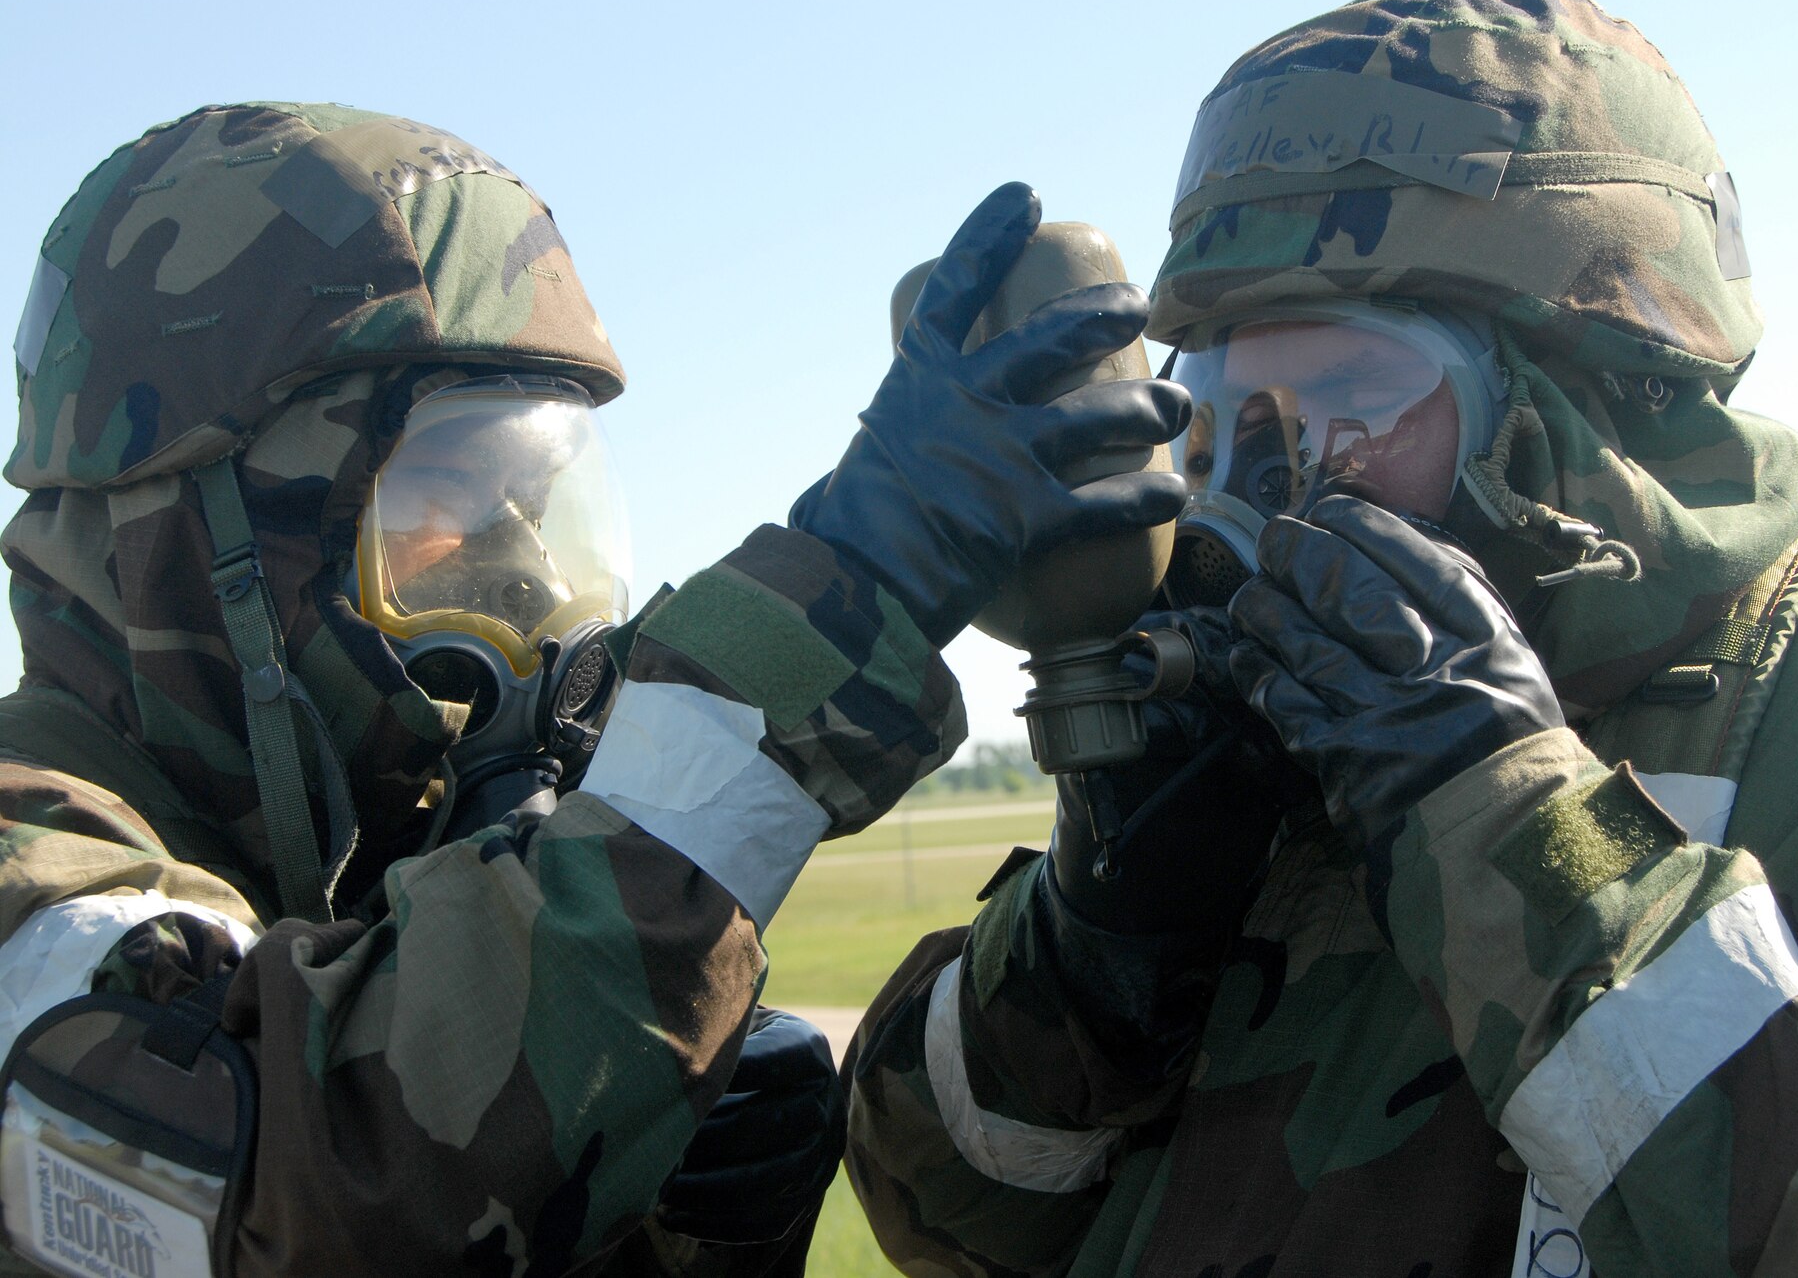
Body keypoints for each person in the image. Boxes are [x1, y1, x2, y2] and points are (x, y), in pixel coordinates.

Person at [845, 0, 1798, 1277]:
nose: (1274, 482)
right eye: (1227, 408)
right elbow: (945, 1211)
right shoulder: (1272, 722)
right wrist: (1093, 936)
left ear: (1591, 399)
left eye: (1352, 394)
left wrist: (1514, 822)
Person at [0, 104, 1188, 1277]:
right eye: (449, 503)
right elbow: (308, 1189)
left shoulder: (363, 875)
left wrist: (657, 1219)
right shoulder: (32, 868)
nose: (520, 570)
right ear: (191, 540)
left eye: (542, 505)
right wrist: (846, 590)